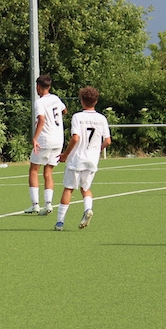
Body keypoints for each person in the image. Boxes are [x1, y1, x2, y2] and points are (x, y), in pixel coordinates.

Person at [54, 86, 111, 231]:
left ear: (82, 101)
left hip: (77, 159)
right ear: (96, 101)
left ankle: (60, 222)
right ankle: (88, 209)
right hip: (92, 160)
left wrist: (65, 154)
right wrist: (98, 149)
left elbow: (75, 138)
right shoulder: (102, 118)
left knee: (68, 188)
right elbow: (108, 141)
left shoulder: (78, 117)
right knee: (86, 188)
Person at [25, 75, 66, 215]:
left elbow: (41, 120)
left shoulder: (39, 102)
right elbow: (64, 110)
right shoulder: (55, 98)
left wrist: (35, 138)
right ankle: (48, 204)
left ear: (38, 86)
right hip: (58, 139)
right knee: (48, 171)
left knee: (34, 169)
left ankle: (35, 205)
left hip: (45, 139)